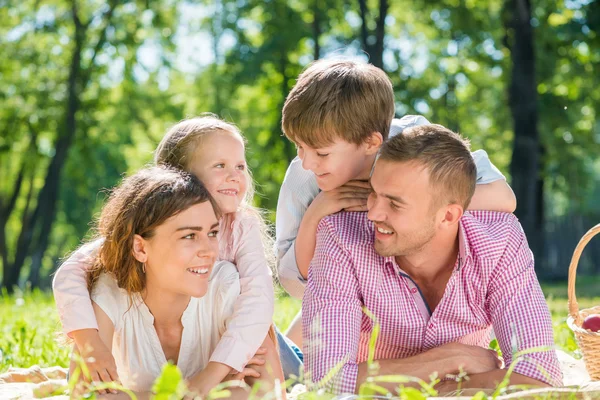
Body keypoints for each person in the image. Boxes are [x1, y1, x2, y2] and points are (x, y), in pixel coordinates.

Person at [302, 124, 562, 395]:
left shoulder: (499, 239)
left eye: (394, 203)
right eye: (373, 194)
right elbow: (325, 380)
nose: (373, 213)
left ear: (448, 216)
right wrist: (450, 359)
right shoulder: (340, 236)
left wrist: (443, 388)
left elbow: (541, 374)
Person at [275, 59, 517, 346]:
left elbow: (504, 198)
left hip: (425, 300)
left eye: (322, 153)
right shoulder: (303, 177)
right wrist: (317, 212)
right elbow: (295, 279)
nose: (307, 161)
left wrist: (405, 202)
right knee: (289, 368)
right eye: (299, 146)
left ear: (371, 142)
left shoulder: (416, 144)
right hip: (343, 302)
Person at [53, 116, 296, 394]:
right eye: (220, 165)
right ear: (178, 178)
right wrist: (88, 340)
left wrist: (218, 368)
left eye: (240, 166)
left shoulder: (241, 227)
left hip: (241, 327)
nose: (235, 176)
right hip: (223, 327)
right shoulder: (141, 239)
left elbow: (257, 302)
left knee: (289, 360)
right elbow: (72, 271)